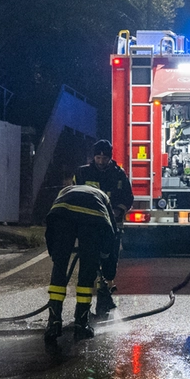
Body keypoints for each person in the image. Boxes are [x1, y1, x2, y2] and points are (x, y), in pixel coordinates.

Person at [43, 184, 118, 342]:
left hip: (61, 215)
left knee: (59, 267)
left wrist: (57, 256)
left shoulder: (65, 191)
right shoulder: (103, 197)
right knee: (87, 269)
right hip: (92, 218)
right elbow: (112, 236)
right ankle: (81, 324)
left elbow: (50, 233)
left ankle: (53, 323)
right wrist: (108, 273)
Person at [74, 140, 134, 317]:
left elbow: (128, 197)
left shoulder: (119, 175)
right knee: (89, 264)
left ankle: (104, 298)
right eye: (98, 157)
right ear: (93, 156)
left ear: (110, 157)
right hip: (89, 226)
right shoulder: (82, 173)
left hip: (112, 226)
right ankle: (86, 309)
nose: (101, 161)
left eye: (104, 158)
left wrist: (118, 210)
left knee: (109, 262)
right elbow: (75, 195)